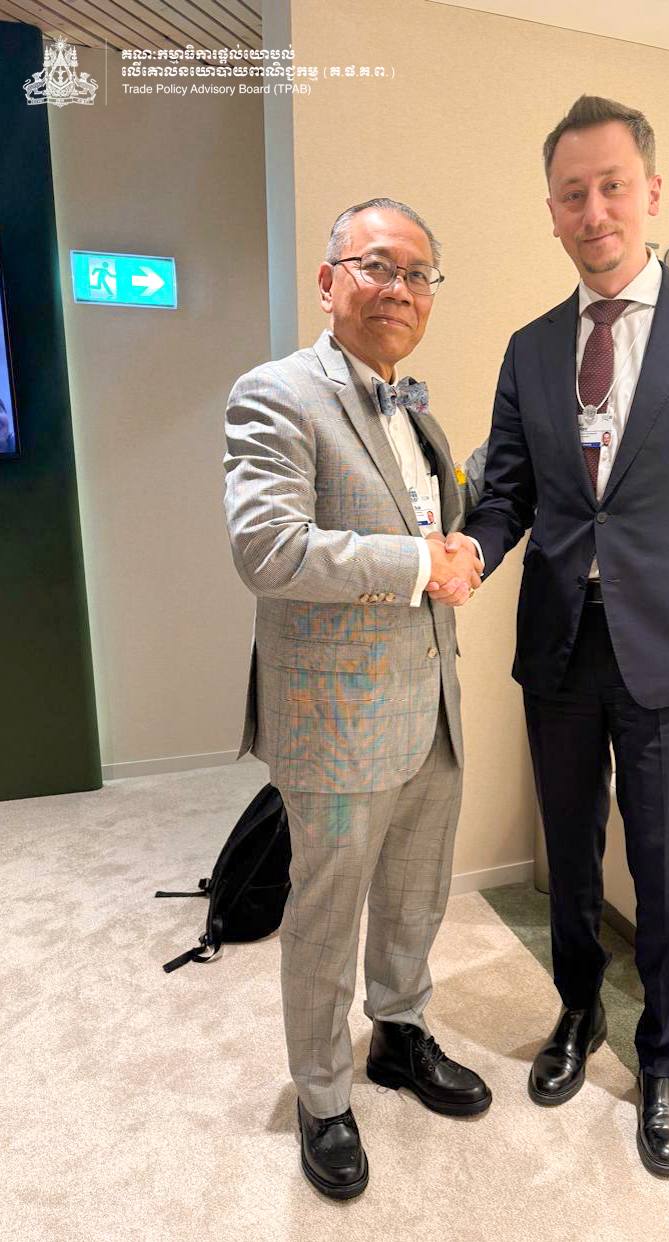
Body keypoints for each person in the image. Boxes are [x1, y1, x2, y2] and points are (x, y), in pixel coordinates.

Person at [440, 96, 669, 1176]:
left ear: (651, 193)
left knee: (666, 872)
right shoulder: (531, 347)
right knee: (569, 855)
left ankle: (662, 1059)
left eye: (611, 187)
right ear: (550, 211)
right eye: (572, 194)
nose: (594, 211)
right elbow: (507, 493)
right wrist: (470, 550)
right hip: (560, 642)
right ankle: (576, 1012)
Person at [223, 198, 489, 1202]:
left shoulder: (417, 410)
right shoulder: (276, 394)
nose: (398, 289)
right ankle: (322, 1095)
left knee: (417, 896)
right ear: (328, 279)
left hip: (431, 706)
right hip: (335, 722)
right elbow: (269, 549)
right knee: (326, 915)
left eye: (417, 274)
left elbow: (435, 530)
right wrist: (421, 564)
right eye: (376, 265)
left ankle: (399, 1036)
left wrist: (459, 551)